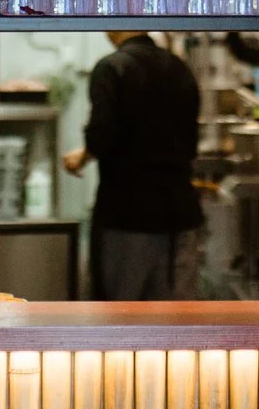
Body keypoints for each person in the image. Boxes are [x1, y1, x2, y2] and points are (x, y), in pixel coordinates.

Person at [62, 30, 203, 300]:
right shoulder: (178, 67)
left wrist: (83, 156)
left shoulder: (112, 67)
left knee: (119, 321)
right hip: (180, 215)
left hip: (128, 216)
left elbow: (101, 135)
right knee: (176, 325)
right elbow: (189, 140)